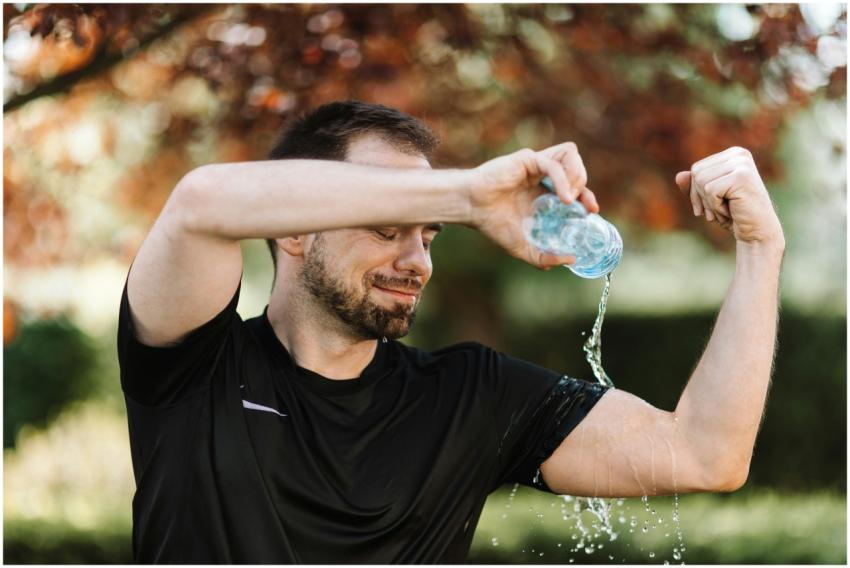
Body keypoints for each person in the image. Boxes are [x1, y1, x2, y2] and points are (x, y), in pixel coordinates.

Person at [117, 100, 784, 563]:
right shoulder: (192, 366)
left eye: (430, 232)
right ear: (295, 227)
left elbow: (703, 456)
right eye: (388, 226)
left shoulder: (471, 396)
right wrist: (465, 197)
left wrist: (761, 249)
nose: (418, 261)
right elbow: (201, 204)